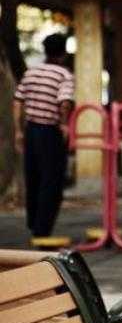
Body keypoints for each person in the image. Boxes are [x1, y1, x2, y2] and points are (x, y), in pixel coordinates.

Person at [12, 33, 74, 242]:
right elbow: (64, 102)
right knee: (52, 179)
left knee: (33, 176)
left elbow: (17, 101)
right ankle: (42, 228)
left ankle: (33, 221)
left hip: (31, 130)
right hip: (50, 131)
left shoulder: (31, 72)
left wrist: (18, 130)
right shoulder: (63, 74)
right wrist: (64, 124)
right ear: (63, 53)